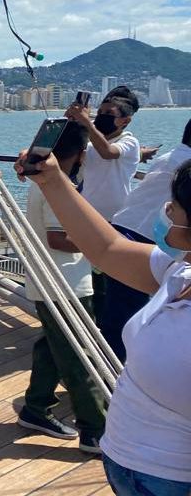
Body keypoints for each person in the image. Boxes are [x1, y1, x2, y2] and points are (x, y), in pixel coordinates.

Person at [15, 149, 191, 494]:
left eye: (174, 206)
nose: (166, 211)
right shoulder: (179, 273)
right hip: (126, 465)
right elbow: (106, 248)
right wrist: (52, 180)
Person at [17, 121, 107, 453]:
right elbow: (59, 238)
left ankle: (36, 407)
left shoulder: (45, 181)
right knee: (80, 356)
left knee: (52, 347)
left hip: (49, 280)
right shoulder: (57, 186)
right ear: (82, 155)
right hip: (65, 284)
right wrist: (101, 241)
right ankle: (95, 429)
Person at [101, 117, 191, 361]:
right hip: (139, 236)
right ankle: (111, 372)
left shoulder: (169, 157)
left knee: (115, 311)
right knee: (124, 316)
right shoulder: (185, 167)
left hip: (123, 228)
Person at [65, 86, 141, 322]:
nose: (102, 117)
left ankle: (108, 325)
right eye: (101, 112)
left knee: (110, 278)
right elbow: (69, 153)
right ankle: (89, 321)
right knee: (86, 274)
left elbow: (108, 152)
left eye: (110, 114)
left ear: (125, 121)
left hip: (115, 220)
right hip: (88, 216)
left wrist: (87, 123)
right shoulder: (91, 140)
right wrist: (73, 123)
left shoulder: (129, 141)